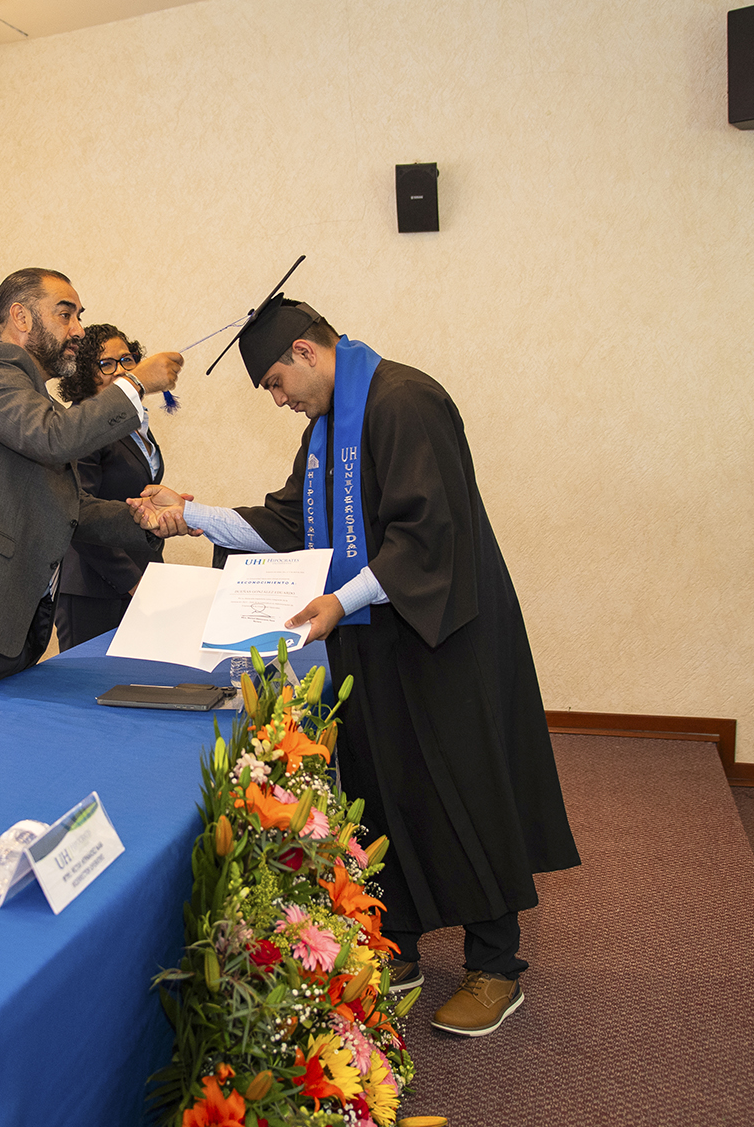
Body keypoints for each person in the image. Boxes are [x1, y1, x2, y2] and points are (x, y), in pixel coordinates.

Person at [134, 294, 578, 1038]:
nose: (278, 399)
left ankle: (495, 965)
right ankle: (398, 943)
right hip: (371, 638)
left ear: (306, 352)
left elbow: (426, 532)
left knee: (462, 786)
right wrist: (190, 513)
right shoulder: (326, 427)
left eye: (276, 382)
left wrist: (340, 600)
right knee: (380, 787)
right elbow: (290, 522)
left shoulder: (405, 401)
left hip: (442, 634)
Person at [0, 269, 183, 719]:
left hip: (4, 621)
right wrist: (136, 382)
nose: (79, 330)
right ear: (21, 317)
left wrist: (144, 518)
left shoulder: (35, 400)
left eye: (79, 316)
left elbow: (70, 507)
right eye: (66, 315)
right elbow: (55, 439)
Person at [53, 324, 169, 650]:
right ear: (83, 374)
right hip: (92, 587)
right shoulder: (81, 427)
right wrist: (132, 581)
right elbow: (76, 513)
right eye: (106, 364)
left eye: (127, 360)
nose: (120, 371)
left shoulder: (132, 422)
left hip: (137, 577)